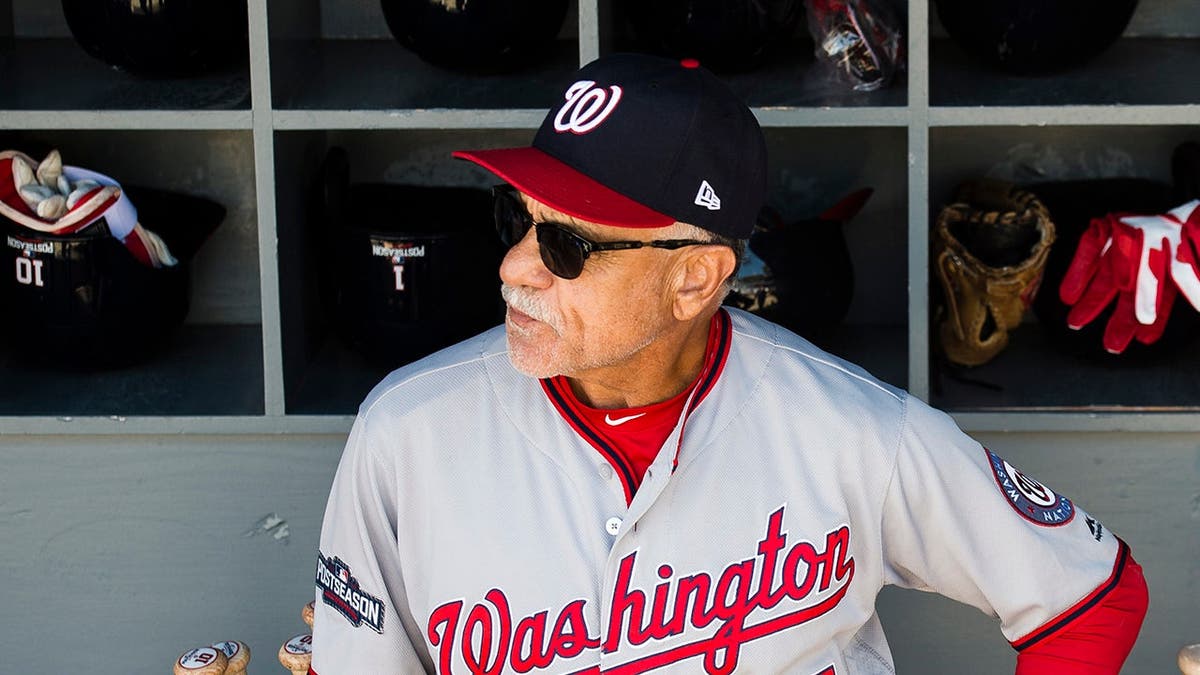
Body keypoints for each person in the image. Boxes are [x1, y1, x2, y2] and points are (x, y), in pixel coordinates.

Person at [310, 53, 1148, 674]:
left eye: (566, 243)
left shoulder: (849, 429)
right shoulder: (408, 433)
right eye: (516, 217)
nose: (516, 266)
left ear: (695, 278)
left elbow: (1091, 595)